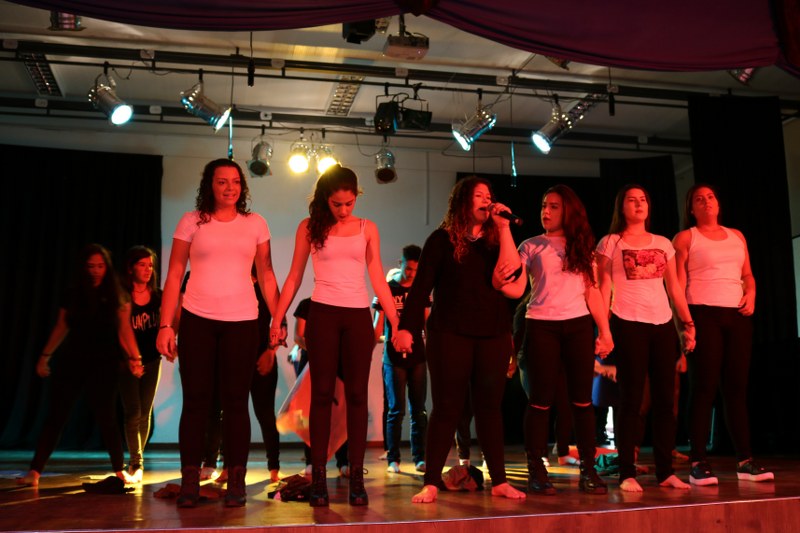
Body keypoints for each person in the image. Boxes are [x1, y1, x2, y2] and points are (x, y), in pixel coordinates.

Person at [269, 165, 400, 507]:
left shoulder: (367, 228)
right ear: (325, 199)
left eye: (349, 203)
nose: (343, 210)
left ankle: (356, 477)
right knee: (321, 395)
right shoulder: (309, 227)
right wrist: (277, 317)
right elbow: (294, 276)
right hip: (323, 314)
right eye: (336, 204)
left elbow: (378, 277)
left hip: (357, 316)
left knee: (357, 396)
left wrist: (396, 323)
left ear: (357, 196)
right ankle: (319, 479)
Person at [393, 176, 527, 504]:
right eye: (478, 196)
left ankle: (499, 481)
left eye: (489, 195)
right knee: (446, 408)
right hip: (449, 332)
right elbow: (421, 287)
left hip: (493, 333)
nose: (486, 200)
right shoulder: (441, 240)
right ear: (462, 202)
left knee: (489, 409)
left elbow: (513, 276)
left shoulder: (496, 240)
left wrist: (504, 228)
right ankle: (431, 482)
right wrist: (406, 328)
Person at [156, 158, 280, 508]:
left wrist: (278, 318)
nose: (230, 188)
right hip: (197, 319)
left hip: (243, 321)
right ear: (209, 185)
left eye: (236, 181)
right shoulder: (192, 221)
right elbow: (174, 274)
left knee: (236, 403)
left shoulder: (255, 223)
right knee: (196, 401)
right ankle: (190, 481)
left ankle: (236, 480)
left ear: (243, 186)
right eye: (222, 181)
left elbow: (267, 275)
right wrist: (166, 325)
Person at [503, 184, 613, 495]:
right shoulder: (531, 245)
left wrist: (605, 332)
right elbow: (517, 285)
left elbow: (593, 292)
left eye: (553, 206)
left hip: (578, 326)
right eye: (543, 205)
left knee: (582, 401)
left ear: (568, 211)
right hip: (541, 325)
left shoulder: (582, 247)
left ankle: (588, 469)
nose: (546, 211)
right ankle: (536, 469)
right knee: (540, 401)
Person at [596, 184, 695, 493]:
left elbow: (674, 288)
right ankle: (627, 472)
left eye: (643, 199)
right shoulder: (610, 242)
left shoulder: (663, 243)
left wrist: (687, 324)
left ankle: (665, 471)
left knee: (666, 401)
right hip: (628, 323)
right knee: (632, 400)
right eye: (631, 199)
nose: (638, 204)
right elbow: (602, 288)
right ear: (621, 206)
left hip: (662, 324)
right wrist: (603, 330)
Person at [17, 244, 142, 487]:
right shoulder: (73, 293)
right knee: (56, 416)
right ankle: (34, 472)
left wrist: (135, 359)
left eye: (100, 266)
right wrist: (45, 356)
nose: (95, 271)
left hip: (104, 363)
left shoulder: (117, 293)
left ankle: (119, 470)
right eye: (91, 266)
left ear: (107, 267)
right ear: (84, 268)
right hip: (72, 361)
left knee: (107, 417)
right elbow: (62, 326)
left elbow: (124, 329)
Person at [672, 183, 773, 485]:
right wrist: (685, 324)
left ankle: (745, 460)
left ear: (718, 203)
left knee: (736, 389)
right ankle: (698, 461)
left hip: (737, 316)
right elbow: (677, 285)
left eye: (711, 197)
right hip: (703, 313)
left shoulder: (737, 236)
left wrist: (751, 293)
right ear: (691, 209)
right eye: (699, 199)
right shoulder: (686, 237)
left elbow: (747, 275)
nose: (706, 201)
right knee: (703, 388)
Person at [373, 244, 430, 474]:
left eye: (416, 270)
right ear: (400, 263)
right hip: (393, 358)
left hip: (418, 357)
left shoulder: (421, 289)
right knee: (396, 410)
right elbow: (377, 326)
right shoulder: (387, 289)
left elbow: (428, 322)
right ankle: (393, 459)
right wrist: (371, 343)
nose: (411, 274)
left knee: (419, 409)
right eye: (408, 268)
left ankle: (420, 458)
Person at [291, 296, 350, 477]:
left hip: (338, 362)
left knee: (339, 411)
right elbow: (298, 336)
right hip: (311, 362)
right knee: (308, 411)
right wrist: (318, 351)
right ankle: (311, 461)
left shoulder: (340, 302)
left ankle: (343, 461)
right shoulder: (306, 305)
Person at [118, 245, 162, 484]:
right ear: (130, 268)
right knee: (132, 411)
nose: (147, 270)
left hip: (152, 360)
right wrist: (132, 359)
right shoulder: (123, 295)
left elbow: (169, 323)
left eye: (150, 266)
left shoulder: (157, 297)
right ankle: (136, 462)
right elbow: (121, 329)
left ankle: (137, 459)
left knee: (145, 412)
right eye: (142, 265)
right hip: (127, 362)